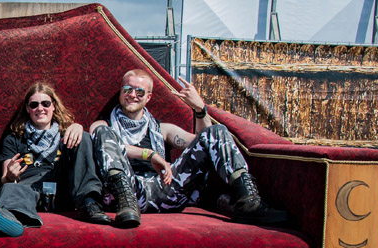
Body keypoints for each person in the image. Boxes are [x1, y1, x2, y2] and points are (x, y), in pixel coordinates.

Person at [90, 68, 288, 228]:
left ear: (148, 97)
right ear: (121, 92)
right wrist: (149, 155)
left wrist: (200, 109)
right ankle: (128, 205)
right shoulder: (103, 126)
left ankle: (248, 202)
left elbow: (206, 141)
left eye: (139, 91)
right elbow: (104, 141)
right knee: (102, 134)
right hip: (125, 197)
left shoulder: (163, 129)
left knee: (217, 131)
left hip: (165, 191)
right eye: (127, 89)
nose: (133, 95)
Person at [0, 81, 111, 237]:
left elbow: (81, 159)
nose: (40, 109)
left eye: (45, 103)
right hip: (27, 191)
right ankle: (11, 219)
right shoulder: (14, 138)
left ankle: (89, 203)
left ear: (53, 107)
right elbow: (5, 178)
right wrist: (10, 174)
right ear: (27, 109)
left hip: (62, 190)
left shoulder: (68, 134)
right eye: (34, 105)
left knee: (83, 137)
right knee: (10, 188)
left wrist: (78, 127)